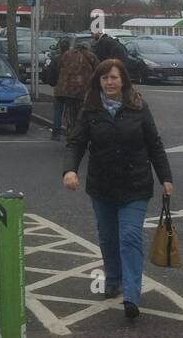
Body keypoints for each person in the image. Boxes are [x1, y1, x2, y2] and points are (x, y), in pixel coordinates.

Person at [62, 58, 173, 320]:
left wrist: (165, 177)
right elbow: (76, 142)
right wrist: (70, 170)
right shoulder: (90, 109)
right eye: (104, 78)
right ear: (98, 82)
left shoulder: (138, 106)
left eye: (114, 77)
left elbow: (154, 143)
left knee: (130, 236)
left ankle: (131, 296)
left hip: (135, 185)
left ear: (123, 80)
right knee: (108, 237)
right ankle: (112, 278)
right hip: (102, 186)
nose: (109, 82)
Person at [52, 37, 94, 142]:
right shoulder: (90, 56)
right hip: (82, 91)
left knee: (69, 113)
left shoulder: (66, 55)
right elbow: (98, 69)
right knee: (81, 114)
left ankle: (69, 135)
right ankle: (78, 136)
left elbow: (58, 67)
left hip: (64, 90)